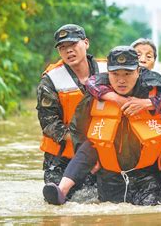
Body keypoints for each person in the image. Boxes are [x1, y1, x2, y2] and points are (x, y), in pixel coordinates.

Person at [43, 46, 161, 206]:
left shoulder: (155, 87)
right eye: (115, 74)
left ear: (138, 71)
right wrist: (94, 164)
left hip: (147, 174)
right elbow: (79, 128)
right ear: (108, 73)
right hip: (110, 174)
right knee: (90, 144)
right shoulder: (96, 88)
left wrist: (148, 103)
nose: (121, 80)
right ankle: (61, 191)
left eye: (127, 73)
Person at [84, 38, 161, 199]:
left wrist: (148, 103)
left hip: (149, 159)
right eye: (139, 54)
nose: (144, 58)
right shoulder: (106, 82)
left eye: (149, 55)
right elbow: (90, 84)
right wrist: (118, 99)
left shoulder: (159, 85)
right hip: (112, 163)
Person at [37, 24, 100, 198]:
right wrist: (85, 148)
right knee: (60, 205)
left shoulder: (109, 72)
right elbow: (49, 124)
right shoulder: (50, 81)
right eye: (63, 47)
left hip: (103, 154)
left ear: (86, 43)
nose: (69, 51)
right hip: (62, 159)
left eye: (73, 44)